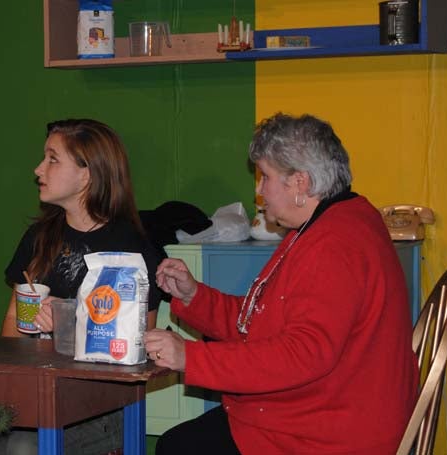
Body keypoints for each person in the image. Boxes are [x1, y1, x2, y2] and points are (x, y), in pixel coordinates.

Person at [145, 113, 418, 455]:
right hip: (322, 410)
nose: (259, 190)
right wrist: (194, 295)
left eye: (266, 177)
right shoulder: (331, 223)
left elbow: (302, 354)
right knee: (181, 444)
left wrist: (191, 356)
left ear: (300, 183)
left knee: (179, 448)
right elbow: (260, 322)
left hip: (329, 432)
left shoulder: (334, 246)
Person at [0, 119, 164, 454]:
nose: (38, 169)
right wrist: (29, 328)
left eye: (52, 159)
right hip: (38, 393)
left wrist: (70, 323)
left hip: (100, 406)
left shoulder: (131, 250)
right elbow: (11, 332)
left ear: (86, 175)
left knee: (23, 449)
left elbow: (137, 350)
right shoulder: (38, 238)